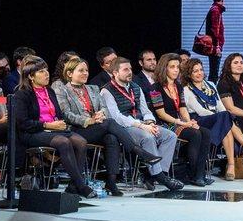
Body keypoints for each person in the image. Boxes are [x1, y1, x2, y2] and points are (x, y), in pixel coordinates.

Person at [11, 55, 96, 199]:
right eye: (41, 71)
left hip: (53, 129)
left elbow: (57, 113)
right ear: (31, 76)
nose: (46, 74)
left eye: (46, 70)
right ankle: (81, 185)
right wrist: (47, 124)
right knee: (63, 142)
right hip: (34, 132)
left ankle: (73, 186)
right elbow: (23, 123)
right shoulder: (22, 94)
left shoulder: (49, 91)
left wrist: (59, 123)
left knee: (81, 142)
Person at [53, 58, 141, 197]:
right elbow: (66, 115)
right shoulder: (63, 90)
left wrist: (101, 114)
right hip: (76, 129)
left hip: (96, 127)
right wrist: (90, 120)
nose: (85, 73)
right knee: (110, 123)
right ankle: (136, 149)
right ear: (69, 73)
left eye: (86, 70)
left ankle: (111, 182)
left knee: (111, 138)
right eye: (81, 70)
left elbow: (104, 109)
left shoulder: (93, 88)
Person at [100, 57, 183, 192]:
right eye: (125, 69)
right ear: (115, 73)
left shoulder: (135, 87)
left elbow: (145, 110)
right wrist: (141, 125)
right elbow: (116, 117)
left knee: (170, 136)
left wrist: (150, 121)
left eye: (130, 69)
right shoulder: (107, 91)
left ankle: (154, 175)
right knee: (148, 137)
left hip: (143, 124)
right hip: (124, 127)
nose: (130, 72)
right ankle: (160, 176)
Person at [182, 57, 243, 181]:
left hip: (218, 118)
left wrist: (222, 116)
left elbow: (220, 105)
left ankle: (231, 166)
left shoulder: (211, 85)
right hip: (200, 120)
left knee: (225, 120)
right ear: (189, 74)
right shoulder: (186, 89)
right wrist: (220, 116)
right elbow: (200, 111)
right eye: (195, 71)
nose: (199, 73)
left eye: (201, 70)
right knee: (225, 117)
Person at [148, 52, 213, 186]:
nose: (176, 70)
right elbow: (160, 113)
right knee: (195, 134)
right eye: (172, 67)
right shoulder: (155, 88)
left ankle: (200, 174)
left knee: (205, 132)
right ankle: (194, 174)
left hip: (179, 122)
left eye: (177, 67)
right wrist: (182, 123)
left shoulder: (178, 87)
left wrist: (189, 122)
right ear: (164, 68)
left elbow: (183, 108)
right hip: (165, 125)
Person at [205, 0, 226, 83]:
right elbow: (215, 29)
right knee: (214, 72)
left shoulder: (214, 9)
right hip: (214, 46)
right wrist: (217, 46)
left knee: (213, 71)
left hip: (214, 45)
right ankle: (212, 93)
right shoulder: (216, 10)